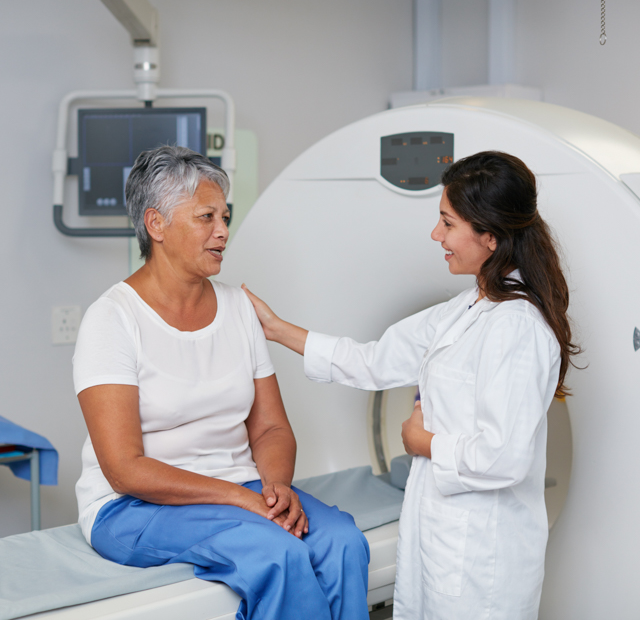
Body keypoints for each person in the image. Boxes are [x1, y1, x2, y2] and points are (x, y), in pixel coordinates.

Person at [243, 150, 580, 620]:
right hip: (442, 539)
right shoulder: (467, 309)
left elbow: (505, 457)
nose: (435, 234)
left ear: (489, 236)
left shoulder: (517, 327)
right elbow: (373, 361)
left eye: (447, 223)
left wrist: (423, 442)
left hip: (482, 557)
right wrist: (277, 329)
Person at [72, 145, 369, 620]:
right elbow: (125, 469)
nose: (223, 231)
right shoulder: (112, 319)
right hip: (132, 507)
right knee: (278, 554)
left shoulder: (238, 309)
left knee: (342, 541)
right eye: (206, 217)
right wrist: (243, 499)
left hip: (241, 487)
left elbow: (270, 428)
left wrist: (275, 489)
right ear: (156, 224)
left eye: (225, 217)